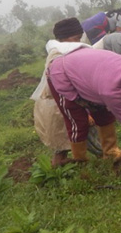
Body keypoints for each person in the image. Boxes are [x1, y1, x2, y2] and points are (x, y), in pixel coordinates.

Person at [30, 18, 103, 166]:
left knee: (65, 143)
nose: (78, 41)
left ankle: (66, 167)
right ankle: (104, 156)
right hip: (58, 104)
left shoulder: (63, 50)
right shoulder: (58, 55)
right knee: (76, 136)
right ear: (64, 38)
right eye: (76, 38)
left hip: (58, 103)